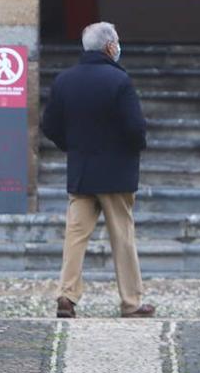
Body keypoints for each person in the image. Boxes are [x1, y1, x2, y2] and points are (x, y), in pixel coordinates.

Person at [40, 21, 155, 319]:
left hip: (81, 171)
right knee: (123, 237)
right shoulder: (119, 81)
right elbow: (135, 127)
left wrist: (72, 146)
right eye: (116, 42)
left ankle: (67, 296)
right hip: (117, 173)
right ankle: (131, 302)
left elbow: (49, 125)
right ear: (109, 47)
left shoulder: (65, 80)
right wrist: (135, 147)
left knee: (75, 237)